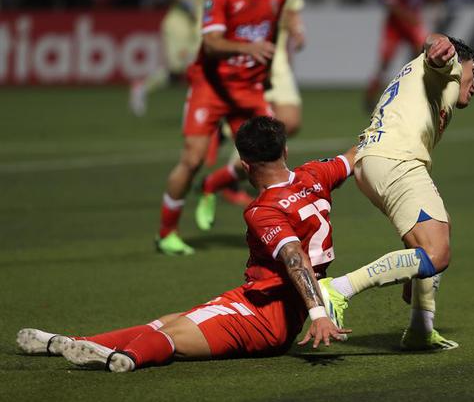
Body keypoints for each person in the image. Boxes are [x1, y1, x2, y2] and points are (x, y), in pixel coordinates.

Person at [16, 117, 353, 372]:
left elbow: (294, 257)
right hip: (258, 300)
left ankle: (123, 359)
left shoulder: (263, 210)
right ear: (286, 150)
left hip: (267, 317)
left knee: (172, 336)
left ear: (244, 164)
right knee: (168, 322)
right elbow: (357, 155)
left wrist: (318, 314)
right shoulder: (315, 174)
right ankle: (68, 344)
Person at [320, 34, 474, 351]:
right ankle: (338, 289)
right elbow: (436, 48)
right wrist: (441, 45)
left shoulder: (416, 78)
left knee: (433, 233)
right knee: (437, 252)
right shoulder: (445, 68)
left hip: (373, 161)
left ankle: (421, 326)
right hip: (397, 160)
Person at [156, 0, 287, 255]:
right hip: (211, 86)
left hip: (249, 87)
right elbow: (212, 44)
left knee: (270, 156)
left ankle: (215, 186)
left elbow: (271, 34)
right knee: (192, 159)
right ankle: (166, 234)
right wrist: (249, 47)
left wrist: (268, 71)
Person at [196, 0, 307, 213]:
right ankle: (273, 210)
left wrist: (297, 30)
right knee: (267, 140)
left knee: (290, 122)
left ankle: (216, 181)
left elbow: (291, 11)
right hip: (243, 62)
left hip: (274, 58)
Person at [129, 0, 204, 117]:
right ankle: (142, 87)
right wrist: (182, 2)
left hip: (199, 23)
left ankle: (200, 111)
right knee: (179, 68)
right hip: (179, 24)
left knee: (199, 64)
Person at [364, 0, 440, 112]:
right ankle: (370, 97)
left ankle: (413, 95)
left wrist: (435, 6)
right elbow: (390, 4)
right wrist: (408, 16)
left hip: (412, 26)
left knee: (421, 59)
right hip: (395, 27)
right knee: (385, 63)